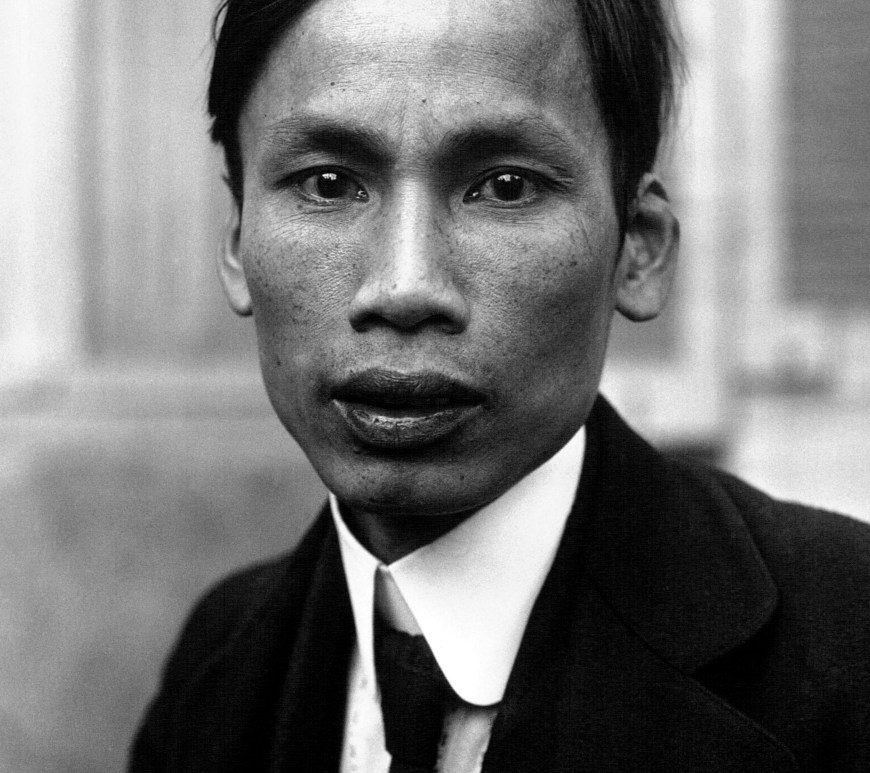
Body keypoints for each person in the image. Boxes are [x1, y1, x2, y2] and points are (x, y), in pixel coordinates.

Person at [129, 0, 870, 770]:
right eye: (328, 182)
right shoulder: (218, 670)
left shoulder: (846, 645)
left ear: (640, 249)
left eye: (506, 187)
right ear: (236, 240)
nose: (405, 287)